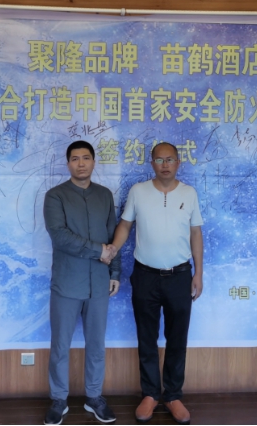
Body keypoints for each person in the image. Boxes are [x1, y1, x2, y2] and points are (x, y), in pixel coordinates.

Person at [109, 142, 204, 425]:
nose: (165, 165)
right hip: (145, 276)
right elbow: (125, 225)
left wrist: (198, 273)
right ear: (151, 163)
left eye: (170, 159)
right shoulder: (138, 191)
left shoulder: (189, 193)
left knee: (177, 338)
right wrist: (112, 249)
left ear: (178, 162)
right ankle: (150, 394)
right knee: (146, 337)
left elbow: (196, 233)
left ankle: (173, 395)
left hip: (179, 276)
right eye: (160, 160)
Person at [43, 140, 121, 425]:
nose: (81, 163)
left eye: (86, 158)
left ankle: (94, 397)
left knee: (97, 345)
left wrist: (115, 272)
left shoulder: (104, 195)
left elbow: (112, 237)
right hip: (67, 283)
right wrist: (98, 250)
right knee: (60, 346)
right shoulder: (55, 196)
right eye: (75, 158)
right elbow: (60, 236)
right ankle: (58, 400)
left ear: (94, 162)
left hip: (99, 283)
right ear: (68, 164)